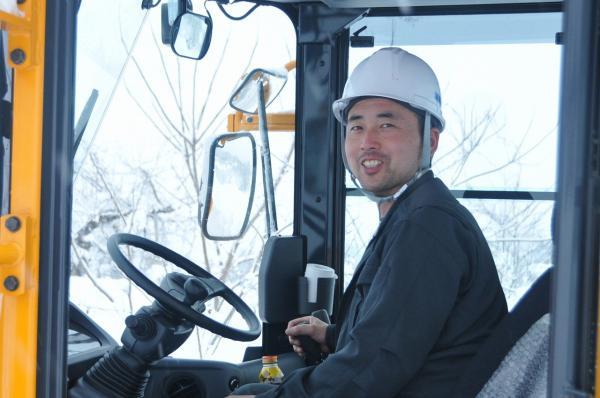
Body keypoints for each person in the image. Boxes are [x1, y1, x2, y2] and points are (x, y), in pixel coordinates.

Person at [229, 47, 507, 398]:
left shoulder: (427, 226)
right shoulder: (409, 215)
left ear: (430, 140)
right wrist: (332, 337)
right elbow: (400, 335)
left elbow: (374, 367)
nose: (367, 142)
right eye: (356, 126)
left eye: (387, 124)